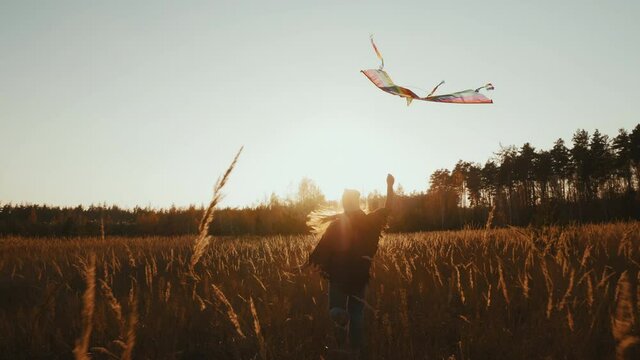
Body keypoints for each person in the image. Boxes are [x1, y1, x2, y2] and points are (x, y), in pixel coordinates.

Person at [308, 174, 395, 357]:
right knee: (357, 314)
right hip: (359, 277)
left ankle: (341, 339)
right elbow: (389, 209)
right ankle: (356, 350)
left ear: (345, 204)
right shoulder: (371, 222)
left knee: (335, 311)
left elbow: (321, 251)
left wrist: (305, 265)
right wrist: (389, 186)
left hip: (338, 277)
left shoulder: (337, 226)